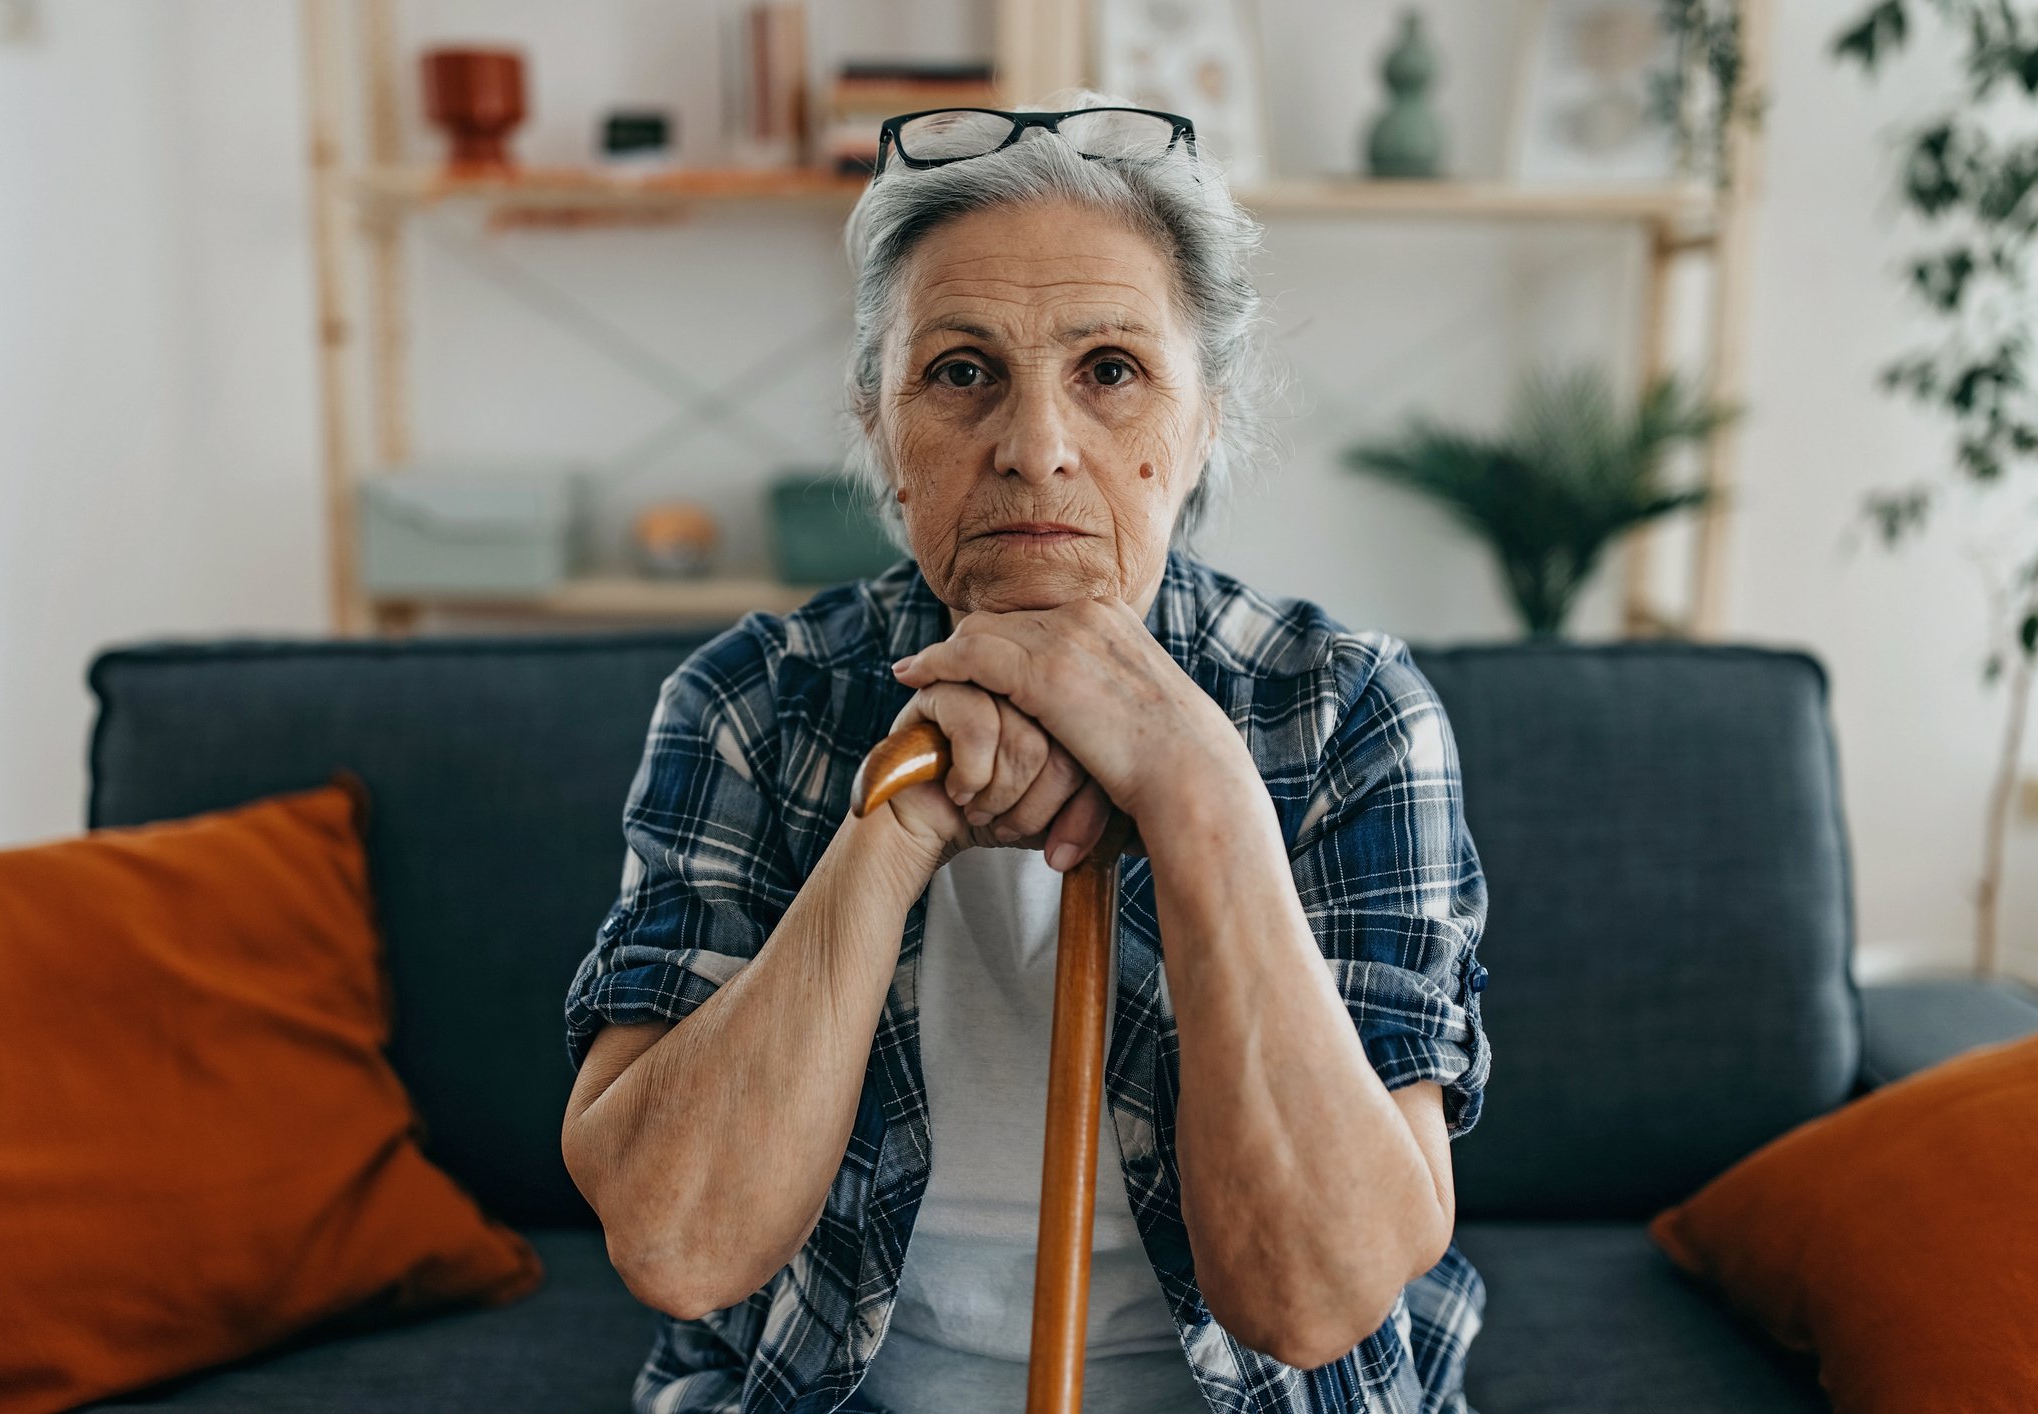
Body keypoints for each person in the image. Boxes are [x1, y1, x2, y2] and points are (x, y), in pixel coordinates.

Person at [560, 90, 1493, 1414]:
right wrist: (896, 818)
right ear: (877, 419)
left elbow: (1317, 1296)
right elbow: (678, 1242)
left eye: (1110, 370)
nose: (1035, 448)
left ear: (1207, 414)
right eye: (961, 372)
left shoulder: (1347, 709)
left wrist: (1200, 786)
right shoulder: (752, 703)